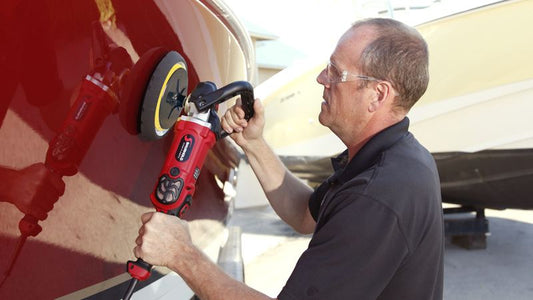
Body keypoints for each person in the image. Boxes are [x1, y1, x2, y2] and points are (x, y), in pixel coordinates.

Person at [133, 18, 444, 299]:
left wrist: (182, 255)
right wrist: (253, 144)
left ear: (378, 95)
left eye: (336, 72)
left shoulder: (379, 193)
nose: (322, 79)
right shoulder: (392, 158)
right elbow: (304, 215)